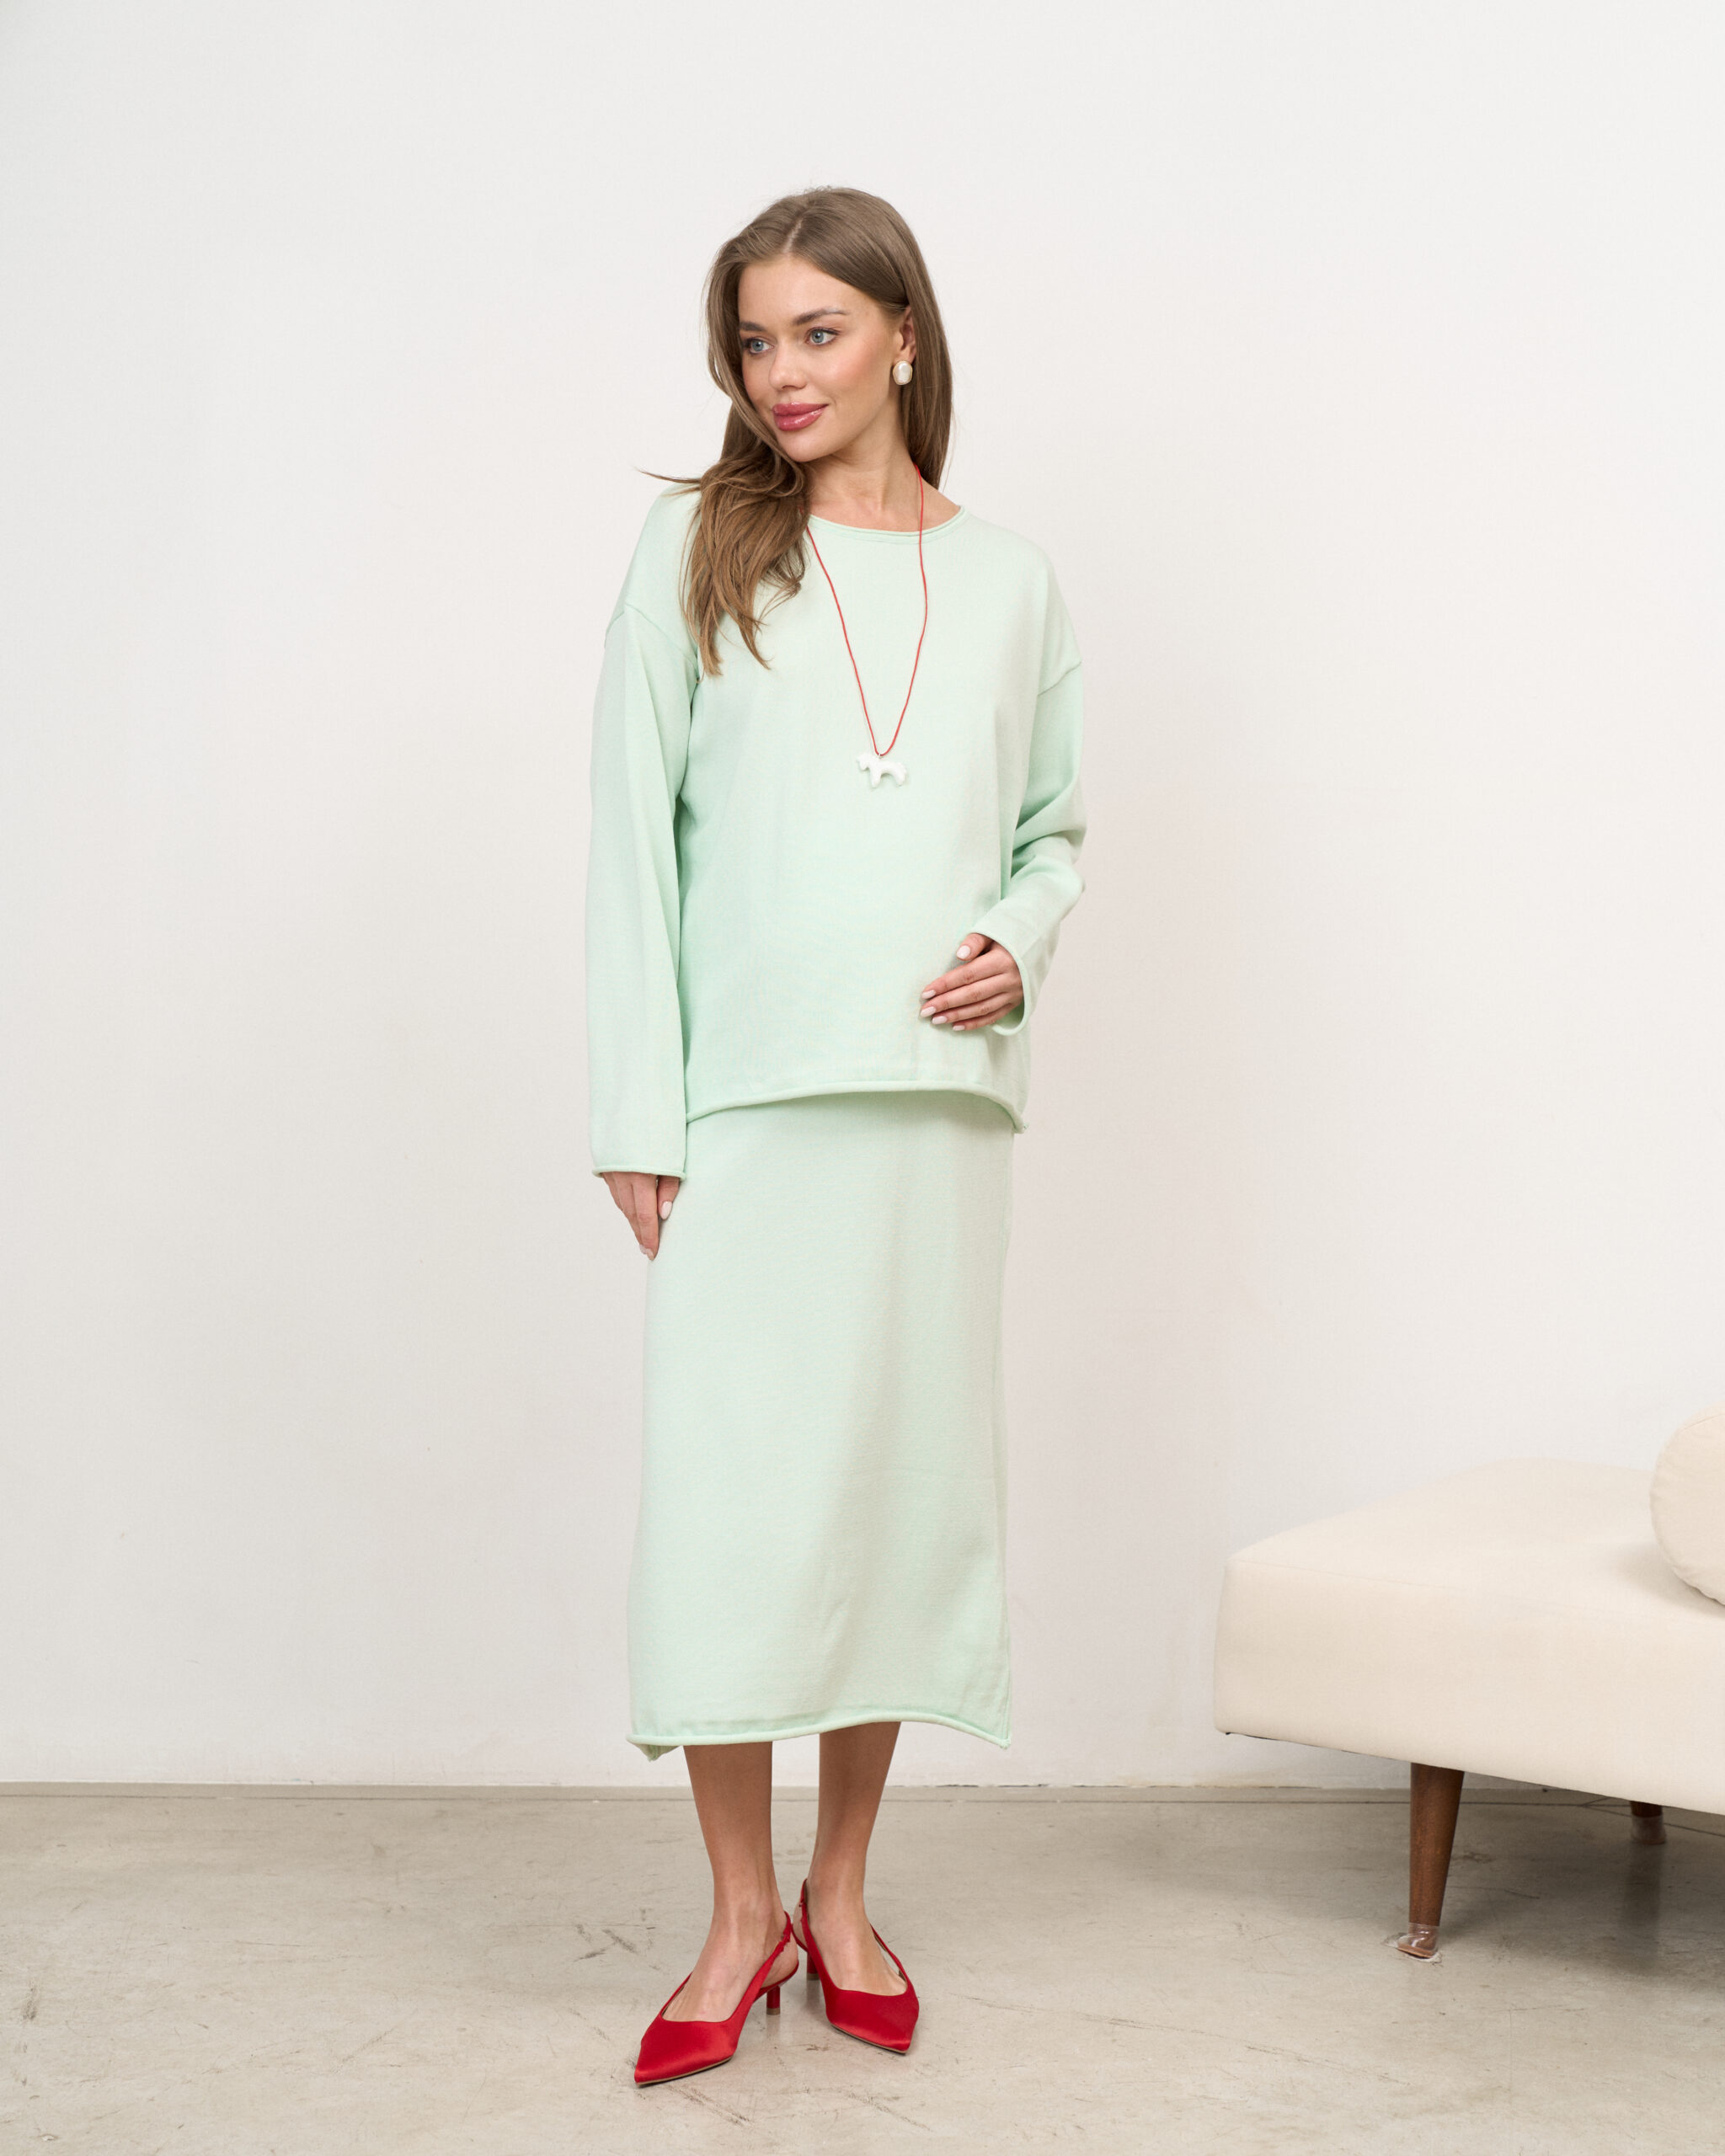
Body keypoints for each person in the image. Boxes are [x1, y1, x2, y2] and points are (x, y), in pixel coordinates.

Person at [585, 185, 1087, 2086]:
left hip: (931, 1115)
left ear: (900, 336)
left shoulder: (1015, 581)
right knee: (735, 1513)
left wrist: (1018, 938)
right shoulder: (696, 548)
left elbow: (1053, 830)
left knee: (888, 1500)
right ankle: (738, 1914)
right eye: (752, 340)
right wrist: (637, 1104)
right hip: (747, 1105)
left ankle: (844, 1894)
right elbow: (629, 838)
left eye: (816, 331)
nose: (779, 373)